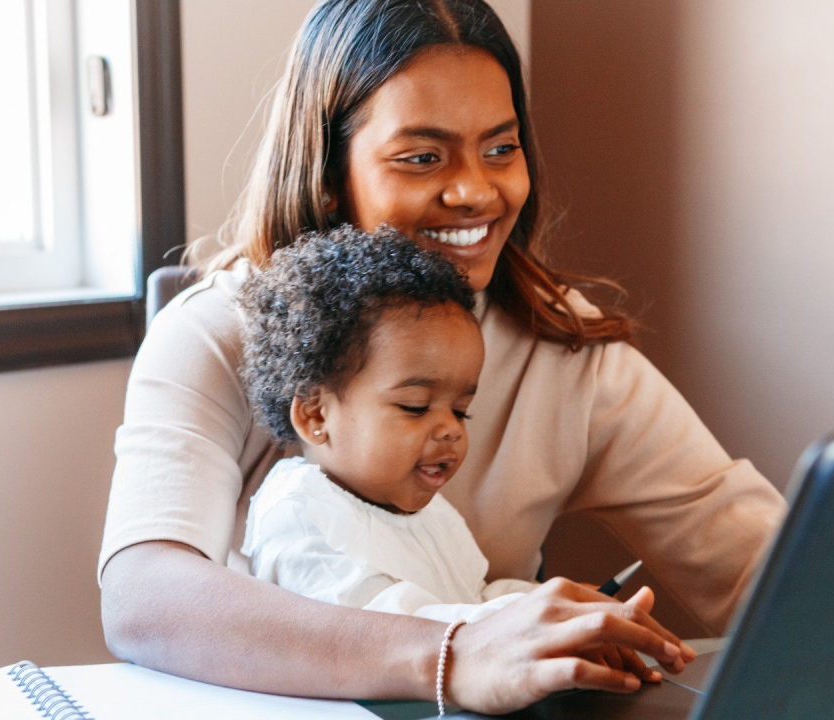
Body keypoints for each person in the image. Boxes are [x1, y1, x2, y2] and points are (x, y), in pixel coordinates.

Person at [98, 0, 786, 714]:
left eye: (500, 148)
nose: (476, 192)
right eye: (422, 157)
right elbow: (145, 595)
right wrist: (456, 653)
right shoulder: (214, 334)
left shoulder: (567, 350)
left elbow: (754, 563)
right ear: (329, 174)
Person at [239, 226, 541, 624]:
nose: (451, 429)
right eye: (415, 407)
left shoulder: (426, 512)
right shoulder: (298, 514)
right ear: (315, 415)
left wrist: (544, 601)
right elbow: (388, 630)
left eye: (460, 410)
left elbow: (472, 596)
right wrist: (522, 617)